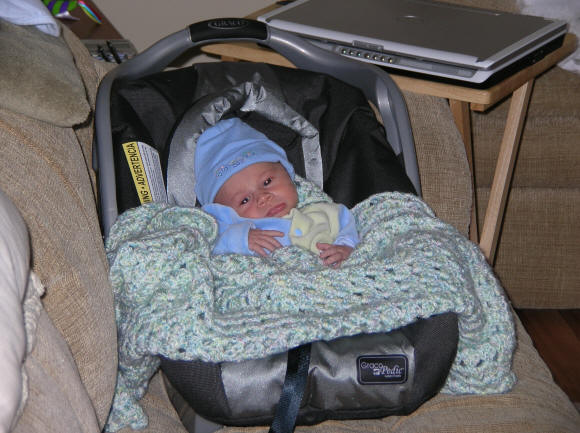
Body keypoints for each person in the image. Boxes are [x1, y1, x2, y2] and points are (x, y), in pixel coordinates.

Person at [194, 118, 359, 268]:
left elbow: (349, 227)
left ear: (288, 175)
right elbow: (202, 245)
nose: (263, 197)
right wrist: (238, 239)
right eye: (244, 200)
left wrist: (345, 249)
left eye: (267, 182)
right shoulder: (231, 236)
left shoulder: (324, 213)